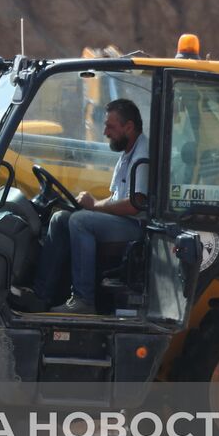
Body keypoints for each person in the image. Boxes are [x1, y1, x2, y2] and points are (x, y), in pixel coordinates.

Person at [33, 98, 149, 314]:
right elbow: (116, 198)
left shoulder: (143, 154)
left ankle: (83, 300)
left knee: (80, 222)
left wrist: (94, 207)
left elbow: (135, 205)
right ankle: (41, 296)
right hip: (123, 221)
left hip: (137, 227)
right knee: (60, 219)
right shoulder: (127, 153)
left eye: (110, 126)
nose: (105, 132)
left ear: (129, 127)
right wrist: (91, 205)